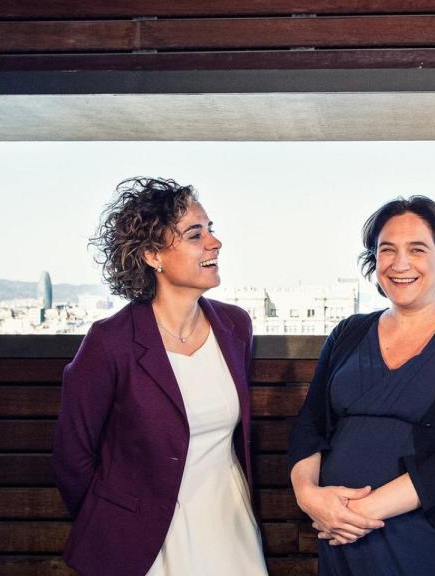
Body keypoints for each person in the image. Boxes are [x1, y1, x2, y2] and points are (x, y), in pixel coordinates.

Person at [288, 196, 435, 575]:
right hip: (343, 539)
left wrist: (360, 512)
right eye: (387, 250)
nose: (400, 263)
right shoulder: (348, 332)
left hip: (433, 538)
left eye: (417, 249)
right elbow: (311, 426)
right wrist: (309, 497)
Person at [52, 178, 267, 576]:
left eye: (211, 229)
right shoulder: (110, 342)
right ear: (153, 255)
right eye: (194, 234)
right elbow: (72, 459)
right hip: (143, 542)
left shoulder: (235, 326)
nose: (214, 242)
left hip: (229, 527)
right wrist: (117, 524)